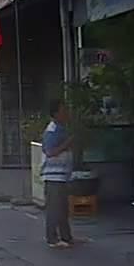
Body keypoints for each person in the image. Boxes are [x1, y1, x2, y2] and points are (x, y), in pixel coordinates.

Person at [41, 98, 75, 248]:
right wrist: (67, 144)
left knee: (63, 208)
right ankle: (52, 238)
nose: (66, 113)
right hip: (53, 175)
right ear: (56, 113)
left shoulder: (61, 128)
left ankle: (66, 237)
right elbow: (50, 152)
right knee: (54, 208)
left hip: (62, 175)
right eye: (63, 110)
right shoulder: (52, 131)